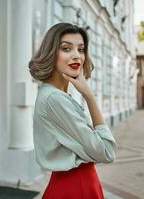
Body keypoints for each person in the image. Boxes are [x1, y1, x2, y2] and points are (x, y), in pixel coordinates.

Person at [29, 23, 117, 199]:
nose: (76, 56)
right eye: (66, 48)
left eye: (81, 49)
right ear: (51, 53)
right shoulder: (55, 99)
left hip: (75, 183)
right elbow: (107, 152)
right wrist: (90, 97)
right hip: (76, 186)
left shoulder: (56, 94)